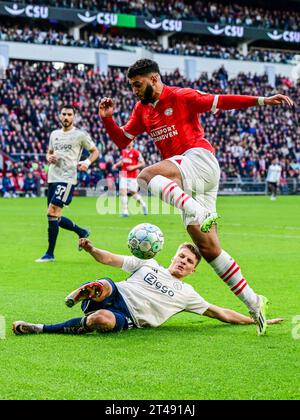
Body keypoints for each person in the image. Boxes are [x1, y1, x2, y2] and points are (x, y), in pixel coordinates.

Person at [98, 59, 294, 335]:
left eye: (138, 85)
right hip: (188, 179)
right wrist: (107, 119)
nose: (134, 91)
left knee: (145, 177)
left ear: (154, 79)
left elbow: (222, 100)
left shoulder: (180, 96)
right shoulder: (142, 110)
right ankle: (254, 302)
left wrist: (262, 100)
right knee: (209, 250)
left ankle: (199, 212)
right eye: (132, 86)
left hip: (199, 160)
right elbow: (122, 141)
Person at [13, 239, 283, 336]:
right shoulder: (148, 263)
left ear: (193, 270)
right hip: (115, 292)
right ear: (173, 257)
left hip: (128, 317)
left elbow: (220, 313)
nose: (182, 261)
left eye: (188, 261)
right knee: (104, 284)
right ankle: (84, 291)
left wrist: (255, 318)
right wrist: (91, 248)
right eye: (180, 256)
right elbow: (109, 259)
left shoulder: (188, 295)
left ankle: (39, 328)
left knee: (100, 320)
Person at [35, 104, 100, 263]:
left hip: (67, 177)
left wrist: (86, 163)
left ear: (74, 117)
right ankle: (81, 231)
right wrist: (48, 157)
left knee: (52, 212)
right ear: (59, 115)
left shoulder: (80, 135)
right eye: (63, 114)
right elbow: (49, 152)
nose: (66, 117)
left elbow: (95, 151)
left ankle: (50, 254)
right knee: (54, 217)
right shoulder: (54, 134)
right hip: (52, 177)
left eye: (69, 114)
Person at [112, 142, 148, 217]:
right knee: (123, 191)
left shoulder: (136, 152)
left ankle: (143, 204)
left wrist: (133, 167)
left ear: (133, 143)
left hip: (132, 175)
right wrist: (116, 165)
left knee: (133, 194)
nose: (128, 143)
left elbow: (143, 163)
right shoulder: (123, 151)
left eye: (130, 141)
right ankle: (125, 211)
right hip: (124, 174)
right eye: (127, 141)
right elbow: (123, 161)